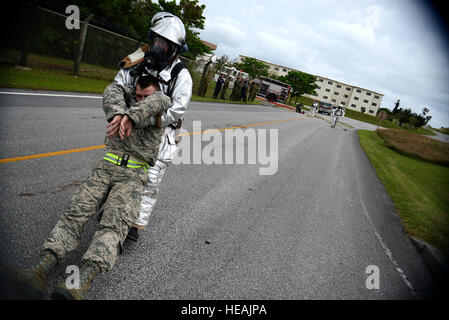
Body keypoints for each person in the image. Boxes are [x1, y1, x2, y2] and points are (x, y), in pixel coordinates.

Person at [13, 76, 172, 300]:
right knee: (74, 214)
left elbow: (161, 100)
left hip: (133, 176)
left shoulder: (159, 110)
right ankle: (39, 271)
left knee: (113, 226)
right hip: (106, 166)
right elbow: (112, 89)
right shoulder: (125, 102)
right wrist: (119, 113)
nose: (139, 100)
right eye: (137, 96)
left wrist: (131, 116)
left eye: (145, 97)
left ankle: (77, 285)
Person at [109, 12, 193, 242]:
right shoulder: (138, 57)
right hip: (130, 128)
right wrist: (119, 113)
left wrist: (148, 119)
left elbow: (177, 109)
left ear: (175, 48)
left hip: (161, 133)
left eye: (164, 44)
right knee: (119, 170)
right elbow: (118, 84)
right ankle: (112, 212)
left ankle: (134, 224)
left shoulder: (181, 74)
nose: (158, 47)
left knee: (150, 180)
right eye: (156, 40)